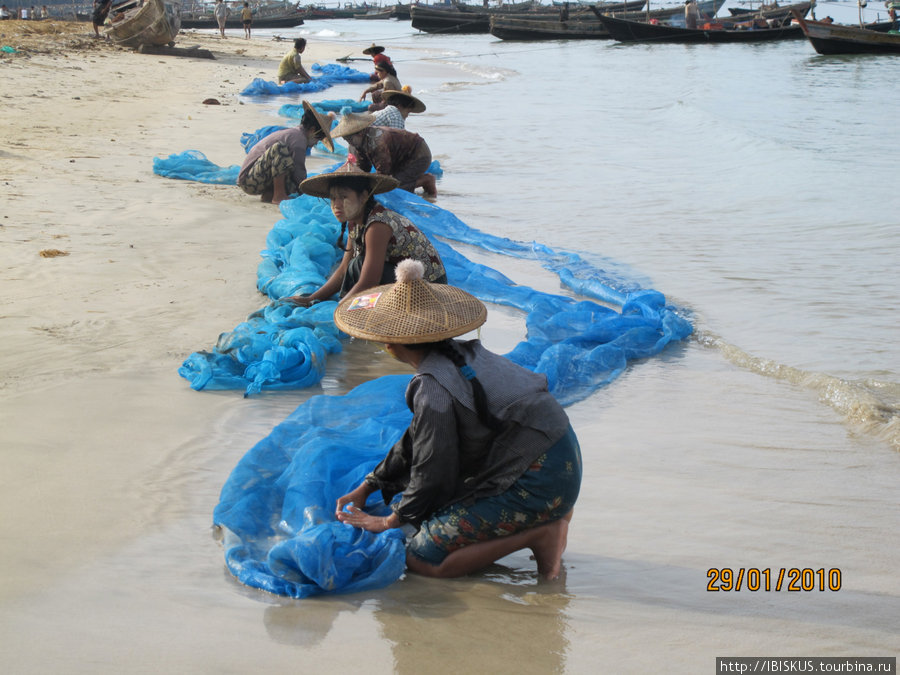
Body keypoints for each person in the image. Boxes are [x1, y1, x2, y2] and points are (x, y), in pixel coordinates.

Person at [332, 260, 582, 580]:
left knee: (422, 557)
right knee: (432, 512)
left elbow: (432, 467)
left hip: (538, 479)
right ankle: (549, 518)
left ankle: (540, 534)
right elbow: (417, 438)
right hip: (564, 461)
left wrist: (391, 520)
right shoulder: (463, 354)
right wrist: (371, 485)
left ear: (389, 344)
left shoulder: (432, 386)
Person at [285, 161, 446, 306]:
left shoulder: (377, 225)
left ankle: (370, 308)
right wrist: (312, 299)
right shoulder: (355, 222)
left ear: (363, 197)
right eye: (333, 198)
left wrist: (341, 307)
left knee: (359, 265)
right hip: (405, 281)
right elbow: (343, 270)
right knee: (353, 265)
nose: (337, 204)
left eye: (344, 197)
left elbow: (369, 281)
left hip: (429, 290)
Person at [237, 100, 332, 205]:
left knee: (288, 165)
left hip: (257, 178)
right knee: (280, 149)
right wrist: (306, 190)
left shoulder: (295, 133)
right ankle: (278, 196)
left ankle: (270, 194)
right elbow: (298, 170)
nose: (316, 143)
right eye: (318, 139)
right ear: (312, 130)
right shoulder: (299, 139)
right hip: (249, 181)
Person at [331, 109, 436, 196]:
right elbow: (362, 168)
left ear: (360, 133)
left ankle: (426, 180)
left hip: (418, 154)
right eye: (344, 138)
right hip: (398, 157)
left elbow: (383, 174)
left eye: (349, 138)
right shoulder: (355, 145)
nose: (347, 141)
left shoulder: (377, 142)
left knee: (393, 187)